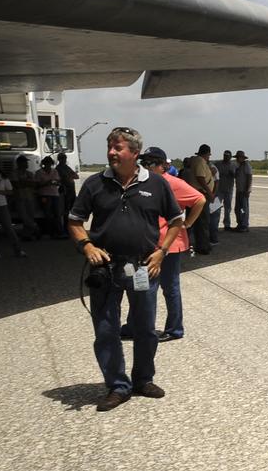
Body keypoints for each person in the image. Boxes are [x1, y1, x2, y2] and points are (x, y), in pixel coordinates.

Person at [69, 127, 183, 409]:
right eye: (109, 146)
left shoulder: (156, 184)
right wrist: (87, 246)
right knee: (106, 329)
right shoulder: (95, 184)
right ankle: (118, 386)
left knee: (145, 328)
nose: (111, 152)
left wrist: (161, 252)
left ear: (134, 153)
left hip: (144, 266)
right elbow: (74, 221)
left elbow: (176, 221)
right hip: (105, 268)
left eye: (117, 148)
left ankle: (143, 379)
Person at [136, 147, 205, 342]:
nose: (143, 166)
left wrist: (188, 223)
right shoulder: (143, 182)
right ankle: (137, 325)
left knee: (168, 287)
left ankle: (174, 329)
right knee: (142, 287)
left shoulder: (173, 183)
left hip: (169, 245)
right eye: (143, 163)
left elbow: (200, 199)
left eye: (148, 163)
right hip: (147, 244)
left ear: (160, 166)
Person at [181, 144, 216, 254]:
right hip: (201, 193)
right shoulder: (200, 161)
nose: (209, 157)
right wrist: (209, 192)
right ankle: (203, 246)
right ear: (206, 154)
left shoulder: (195, 161)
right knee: (203, 221)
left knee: (196, 221)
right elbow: (200, 177)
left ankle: (193, 243)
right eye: (208, 155)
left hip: (196, 193)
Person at [11, 155, 41, 241]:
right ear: (19, 163)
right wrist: (27, 183)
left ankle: (27, 234)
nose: (26, 163)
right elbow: (16, 185)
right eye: (24, 162)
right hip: (19, 198)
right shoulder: (14, 173)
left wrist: (23, 183)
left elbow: (34, 184)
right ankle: (35, 227)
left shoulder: (29, 173)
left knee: (30, 216)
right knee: (24, 217)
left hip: (30, 197)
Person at [35, 156, 64, 237]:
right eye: (47, 163)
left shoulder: (54, 171)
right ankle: (50, 231)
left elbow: (58, 182)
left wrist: (56, 183)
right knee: (47, 214)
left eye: (50, 163)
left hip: (55, 194)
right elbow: (36, 185)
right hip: (44, 195)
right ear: (44, 164)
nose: (48, 165)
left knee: (57, 214)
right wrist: (47, 183)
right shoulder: (39, 172)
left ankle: (59, 231)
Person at [217, 150, 237, 230]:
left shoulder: (233, 165)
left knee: (228, 208)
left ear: (230, 157)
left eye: (228, 156)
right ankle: (215, 224)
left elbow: (237, 176)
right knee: (216, 207)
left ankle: (227, 224)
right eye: (225, 155)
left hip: (229, 189)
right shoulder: (218, 164)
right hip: (219, 189)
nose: (226, 157)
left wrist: (233, 174)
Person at [233, 150, 252, 232]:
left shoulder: (246, 165)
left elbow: (249, 177)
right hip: (239, 190)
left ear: (242, 158)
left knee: (244, 209)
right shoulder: (239, 166)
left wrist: (248, 189)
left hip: (243, 190)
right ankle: (240, 224)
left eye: (238, 157)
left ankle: (244, 225)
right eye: (237, 157)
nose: (237, 159)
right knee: (237, 208)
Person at [56, 151, 78, 219]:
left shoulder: (67, 167)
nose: (64, 160)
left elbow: (76, 176)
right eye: (62, 158)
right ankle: (65, 225)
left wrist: (68, 176)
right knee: (65, 209)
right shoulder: (58, 168)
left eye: (65, 158)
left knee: (71, 207)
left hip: (71, 190)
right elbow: (62, 178)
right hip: (65, 190)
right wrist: (69, 176)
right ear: (59, 159)